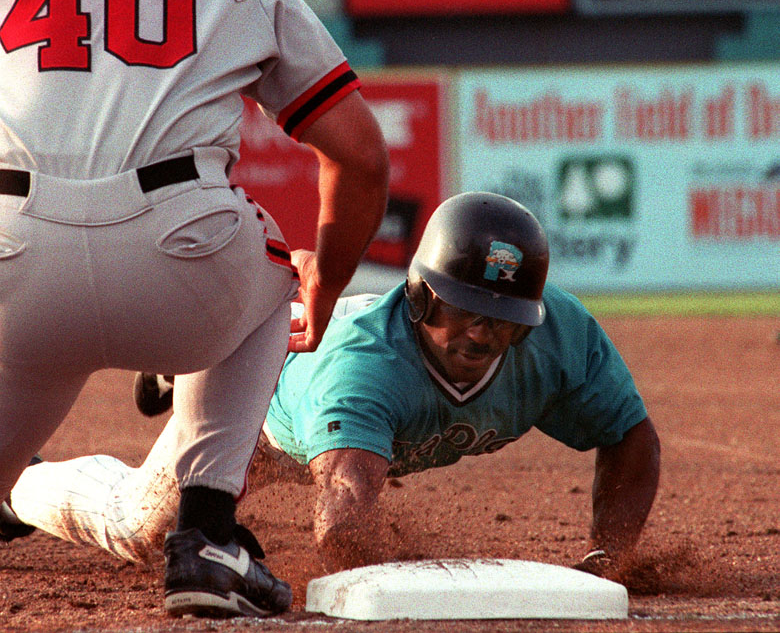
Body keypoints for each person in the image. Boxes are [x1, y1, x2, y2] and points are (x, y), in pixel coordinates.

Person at [0, 0, 389, 620]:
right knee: (280, 273)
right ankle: (208, 534)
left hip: (13, 258)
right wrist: (322, 286)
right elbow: (360, 156)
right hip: (180, 253)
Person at [3, 193, 659, 583]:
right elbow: (342, 528)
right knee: (141, 527)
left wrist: (613, 555)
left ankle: (205, 344)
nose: (484, 335)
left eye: (505, 320)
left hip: (352, 402)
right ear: (424, 298)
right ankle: (13, 488)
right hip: (261, 408)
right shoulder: (364, 368)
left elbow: (632, 437)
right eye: (466, 310)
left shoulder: (562, 338)